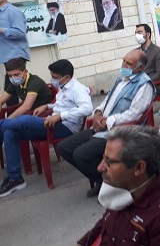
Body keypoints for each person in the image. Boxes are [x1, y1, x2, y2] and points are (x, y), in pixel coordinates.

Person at [57, 49, 155, 197]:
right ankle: (103, 181)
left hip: (120, 132)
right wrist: (97, 113)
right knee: (64, 147)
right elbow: (107, 101)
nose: (124, 65)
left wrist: (107, 121)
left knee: (81, 154)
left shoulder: (144, 85)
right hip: (102, 126)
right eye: (123, 61)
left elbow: (134, 114)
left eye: (129, 64)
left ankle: (110, 185)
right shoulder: (121, 79)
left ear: (140, 67)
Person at [0, 59, 93, 198]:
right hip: (52, 122)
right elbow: (62, 105)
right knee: (10, 133)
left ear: (67, 77)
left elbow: (87, 108)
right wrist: (48, 106)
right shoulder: (64, 87)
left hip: (65, 127)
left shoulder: (77, 89)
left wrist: (60, 116)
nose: (52, 80)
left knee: (25, 120)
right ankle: (15, 179)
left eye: (55, 77)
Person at [0, 0, 29, 107]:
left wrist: (2, 30)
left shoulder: (12, 11)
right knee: (13, 90)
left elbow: (20, 32)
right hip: (6, 56)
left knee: (11, 90)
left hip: (15, 55)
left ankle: (14, 117)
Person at [135, 23, 160, 95]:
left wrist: (144, 81)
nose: (137, 35)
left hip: (152, 86)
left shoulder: (158, 52)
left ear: (148, 35)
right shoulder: (136, 52)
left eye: (139, 32)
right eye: (136, 33)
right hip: (137, 86)